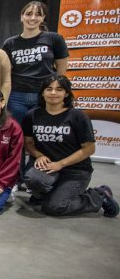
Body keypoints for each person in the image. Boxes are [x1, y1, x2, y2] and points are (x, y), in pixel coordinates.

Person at [22, 76, 118, 217]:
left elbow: (89, 149)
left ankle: (99, 195)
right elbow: (28, 143)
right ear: (42, 92)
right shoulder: (32, 115)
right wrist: (39, 155)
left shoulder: (77, 116)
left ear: (66, 93)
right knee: (33, 178)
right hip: (47, 167)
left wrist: (60, 164)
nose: (53, 93)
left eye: (59, 89)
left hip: (75, 171)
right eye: (49, 89)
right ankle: (45, 195)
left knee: (54, 207)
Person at [2, 1, 69, 124]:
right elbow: (5, 72)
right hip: (16, 96)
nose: (32, 18)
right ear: (22, 17)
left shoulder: (54, 39)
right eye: (28, 14)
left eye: (38, 14)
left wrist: (53, 89)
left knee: (42, 131)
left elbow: (61, 68)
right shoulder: (10, 43)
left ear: (43, 18)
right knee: (18, 131)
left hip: (44, 95)